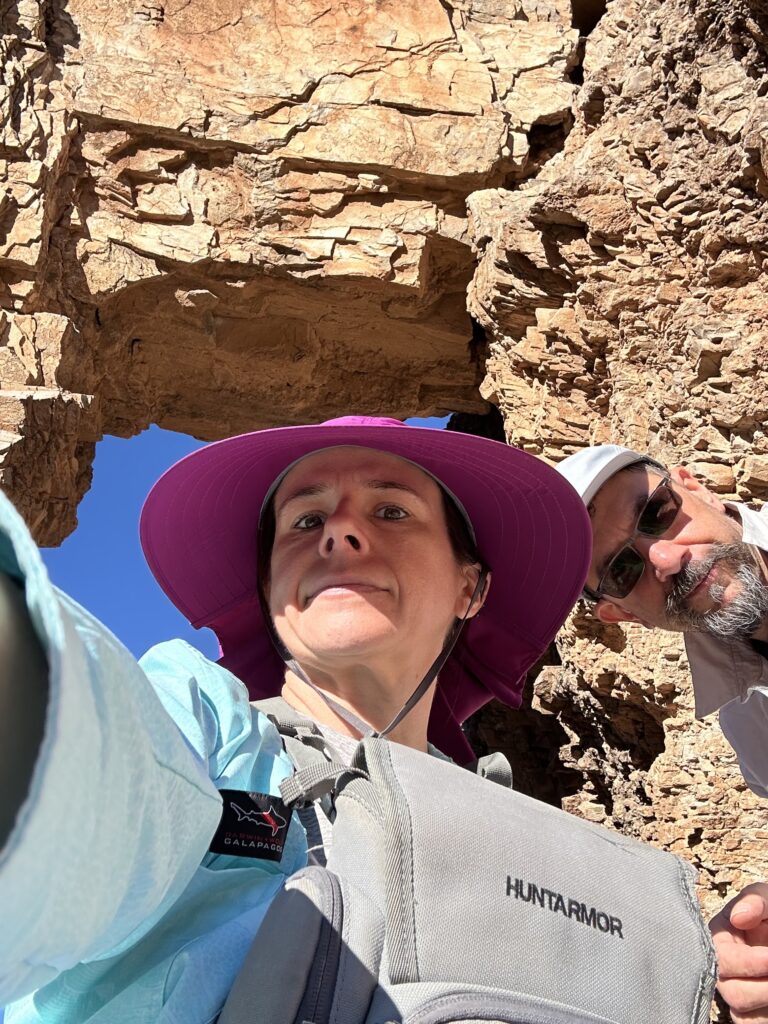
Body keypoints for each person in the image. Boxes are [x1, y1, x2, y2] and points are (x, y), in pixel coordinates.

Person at [0, 415, 590, 1023]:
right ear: (269, 589)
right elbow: (95, 789)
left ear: (470, 589)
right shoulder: (204, 720)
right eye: (306, 521)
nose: (339, 531)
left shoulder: (528, 839)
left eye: (391, 511)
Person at [556, 443, 768, 1024]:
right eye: (624, 570)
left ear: (695, 486)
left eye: (658, 513)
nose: (669, 558)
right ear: (620, 615)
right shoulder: (749, 723)